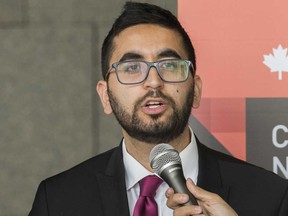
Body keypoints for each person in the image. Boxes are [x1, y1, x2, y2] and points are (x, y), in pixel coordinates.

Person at [29, 2, 288, 216]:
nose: (154, 82)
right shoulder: (59, 199)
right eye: (132, 68)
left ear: (195, 90)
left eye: (170, 66)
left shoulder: (271, 196)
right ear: (105, 95)